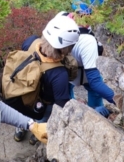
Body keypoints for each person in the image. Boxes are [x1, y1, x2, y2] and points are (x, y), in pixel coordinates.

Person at [12, 14, 80, 144]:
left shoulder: (31, 41)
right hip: (43, 104)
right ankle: (36, 135)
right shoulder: (59, 74)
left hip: (23, 92)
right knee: (43, 117)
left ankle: (20, 129)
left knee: (23, 112)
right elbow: (61, 105)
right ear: (65, 48)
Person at [63, 0, 116, 117]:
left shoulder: (62, 18)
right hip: (84, 75)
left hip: (63, 74)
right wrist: (117, 99)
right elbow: (95, 82)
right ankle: (94, 114)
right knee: (96, 97)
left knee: (65, 104)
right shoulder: (87, 41)